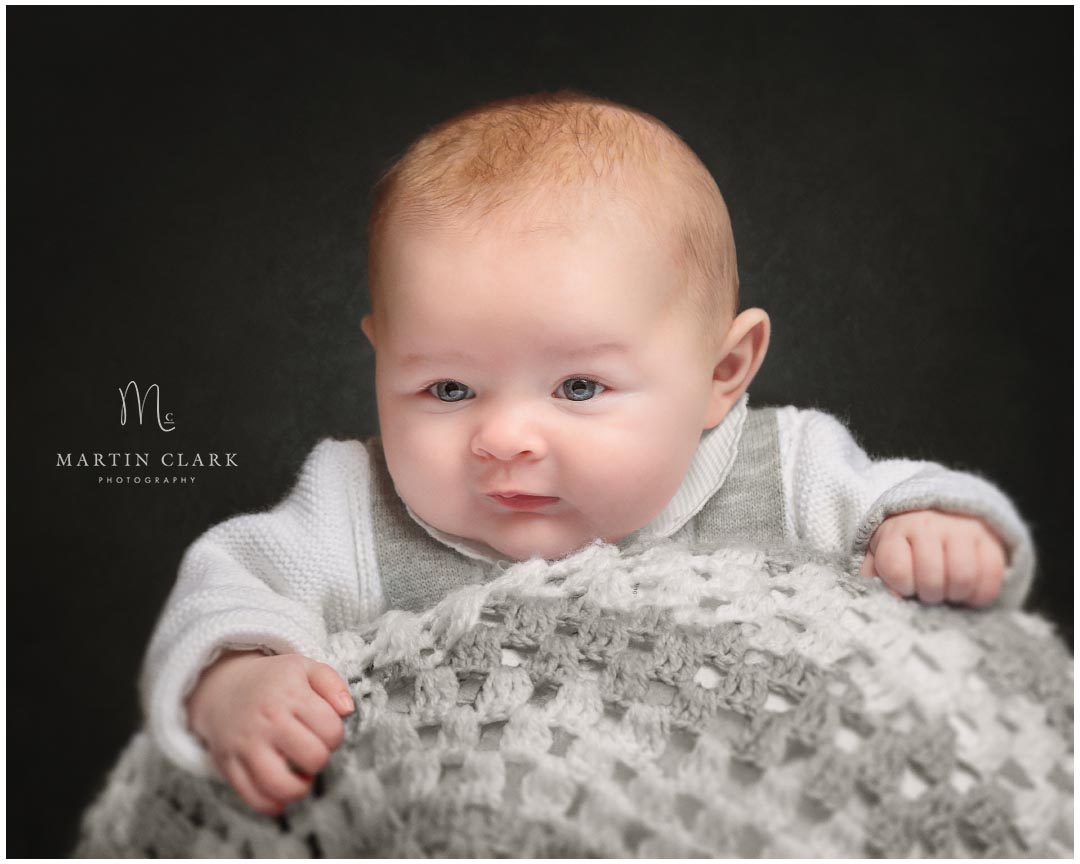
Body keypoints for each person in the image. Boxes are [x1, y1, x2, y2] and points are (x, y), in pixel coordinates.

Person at [141, 91, 1034, 818]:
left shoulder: (787, 469)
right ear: (382, 357)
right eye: (447, 390)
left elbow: (903, 506)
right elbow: (229, 585)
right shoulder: (356, 508)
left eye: (577, 388)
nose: (504, 438)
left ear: (722, 372)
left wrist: (935, 526)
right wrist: (237, 680)